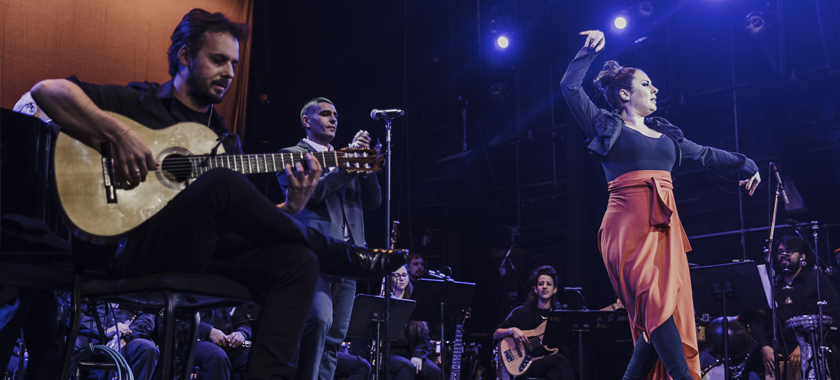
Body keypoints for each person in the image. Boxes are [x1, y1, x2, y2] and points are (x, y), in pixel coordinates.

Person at [29, 9, 402, 379]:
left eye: (235, 64)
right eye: (219, 60)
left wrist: (292, 206)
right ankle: (341, 255)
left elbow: (240, 225)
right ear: (185, 56)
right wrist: (120, 135)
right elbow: (47, 91)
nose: (230, 72)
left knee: (298, 262)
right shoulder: (141, 105)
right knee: (221, 182)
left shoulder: (225, 140)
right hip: (132, 248)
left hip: (199, 254)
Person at [559, 30, 761, 380]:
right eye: (646, 84)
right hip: (627, 229)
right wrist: (587, 52)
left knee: (660, 315)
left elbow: (705, 154)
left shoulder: (667, 135)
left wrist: (745, 163)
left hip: (665, 229)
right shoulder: (607, 126)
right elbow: (570, 88)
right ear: (624, 94)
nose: (654, 90)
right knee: (655, 305)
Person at [277, 97, 381, 380]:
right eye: (325, 114)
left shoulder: (345, 156)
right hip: (315, 254)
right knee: (318, 323)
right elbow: (316, 193)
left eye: (335, 114)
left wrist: (367, 162)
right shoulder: (290, 153)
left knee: (335, 338)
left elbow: (374, 202)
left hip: (349, 256)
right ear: (306, 121)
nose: (334, 118)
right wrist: (348, 164)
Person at [748, 234, 840, 380]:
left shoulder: (817, 280)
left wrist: (806, 346)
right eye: (780, 252)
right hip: (778, 355)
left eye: (789, 251)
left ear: (802, 255)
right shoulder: (772, 285)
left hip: (813, 351)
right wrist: (764, 347)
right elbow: (758, 320)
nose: (784, 255)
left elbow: (831, 316)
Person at [493, 266, 575, 380]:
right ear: (536, 289)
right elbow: (496, 334)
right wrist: (513, 330)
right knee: (559, 359)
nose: (545, 287)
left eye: (549, 284)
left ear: (555, 289)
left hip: (550, 363)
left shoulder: (560, 314)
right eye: (541, 284)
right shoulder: (523, 312)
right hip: (529, 364)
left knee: (553, 374)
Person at [382, 265, 442, 380]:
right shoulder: (383, 302)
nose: (402, 278)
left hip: (411, 353)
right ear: (390, 278)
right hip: (389, 355)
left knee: (434, 371)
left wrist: (418, 355)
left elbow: (424, 337)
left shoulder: (414, 303)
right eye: (397, 275)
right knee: (406, 366)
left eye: (404, 275)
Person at [75, 303, 158, 380]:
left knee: (147, 348)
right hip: (91, 336)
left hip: (126, 338)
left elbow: (147, 318)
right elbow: (77, 315)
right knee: (68, 345)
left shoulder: (137, 290)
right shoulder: (89, 288)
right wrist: (105, 331)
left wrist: (124, 339)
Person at [194, 307, 252, 380]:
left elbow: (243, 322)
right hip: (195, 340)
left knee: (254, 354)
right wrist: (208, 331)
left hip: (228, 343)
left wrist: (241, 333)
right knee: (217, 355)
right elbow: (182, 318)